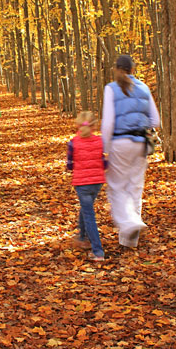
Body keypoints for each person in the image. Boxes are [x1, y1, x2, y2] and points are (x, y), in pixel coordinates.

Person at [100, 54, 160, 250]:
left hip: (120, 141)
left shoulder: (111, 89)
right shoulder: (144, 87)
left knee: (117, 188)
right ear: (133, 69)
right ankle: (129, 241)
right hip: (141, 143)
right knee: (135, 187)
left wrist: (105, 148)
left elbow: (108, 122)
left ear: (117, 69)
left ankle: (129, 224)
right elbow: (155, 120)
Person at [67, 112, 107, 262]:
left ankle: (98, 251)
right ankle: (82, 236)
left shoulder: (73, 143)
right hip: (97, 182)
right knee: (86, 209)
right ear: (94, 126)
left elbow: (70, 164)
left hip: (82, 183)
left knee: (89, 214)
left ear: (77, 125)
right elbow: (104, 162)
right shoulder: (100, 141)